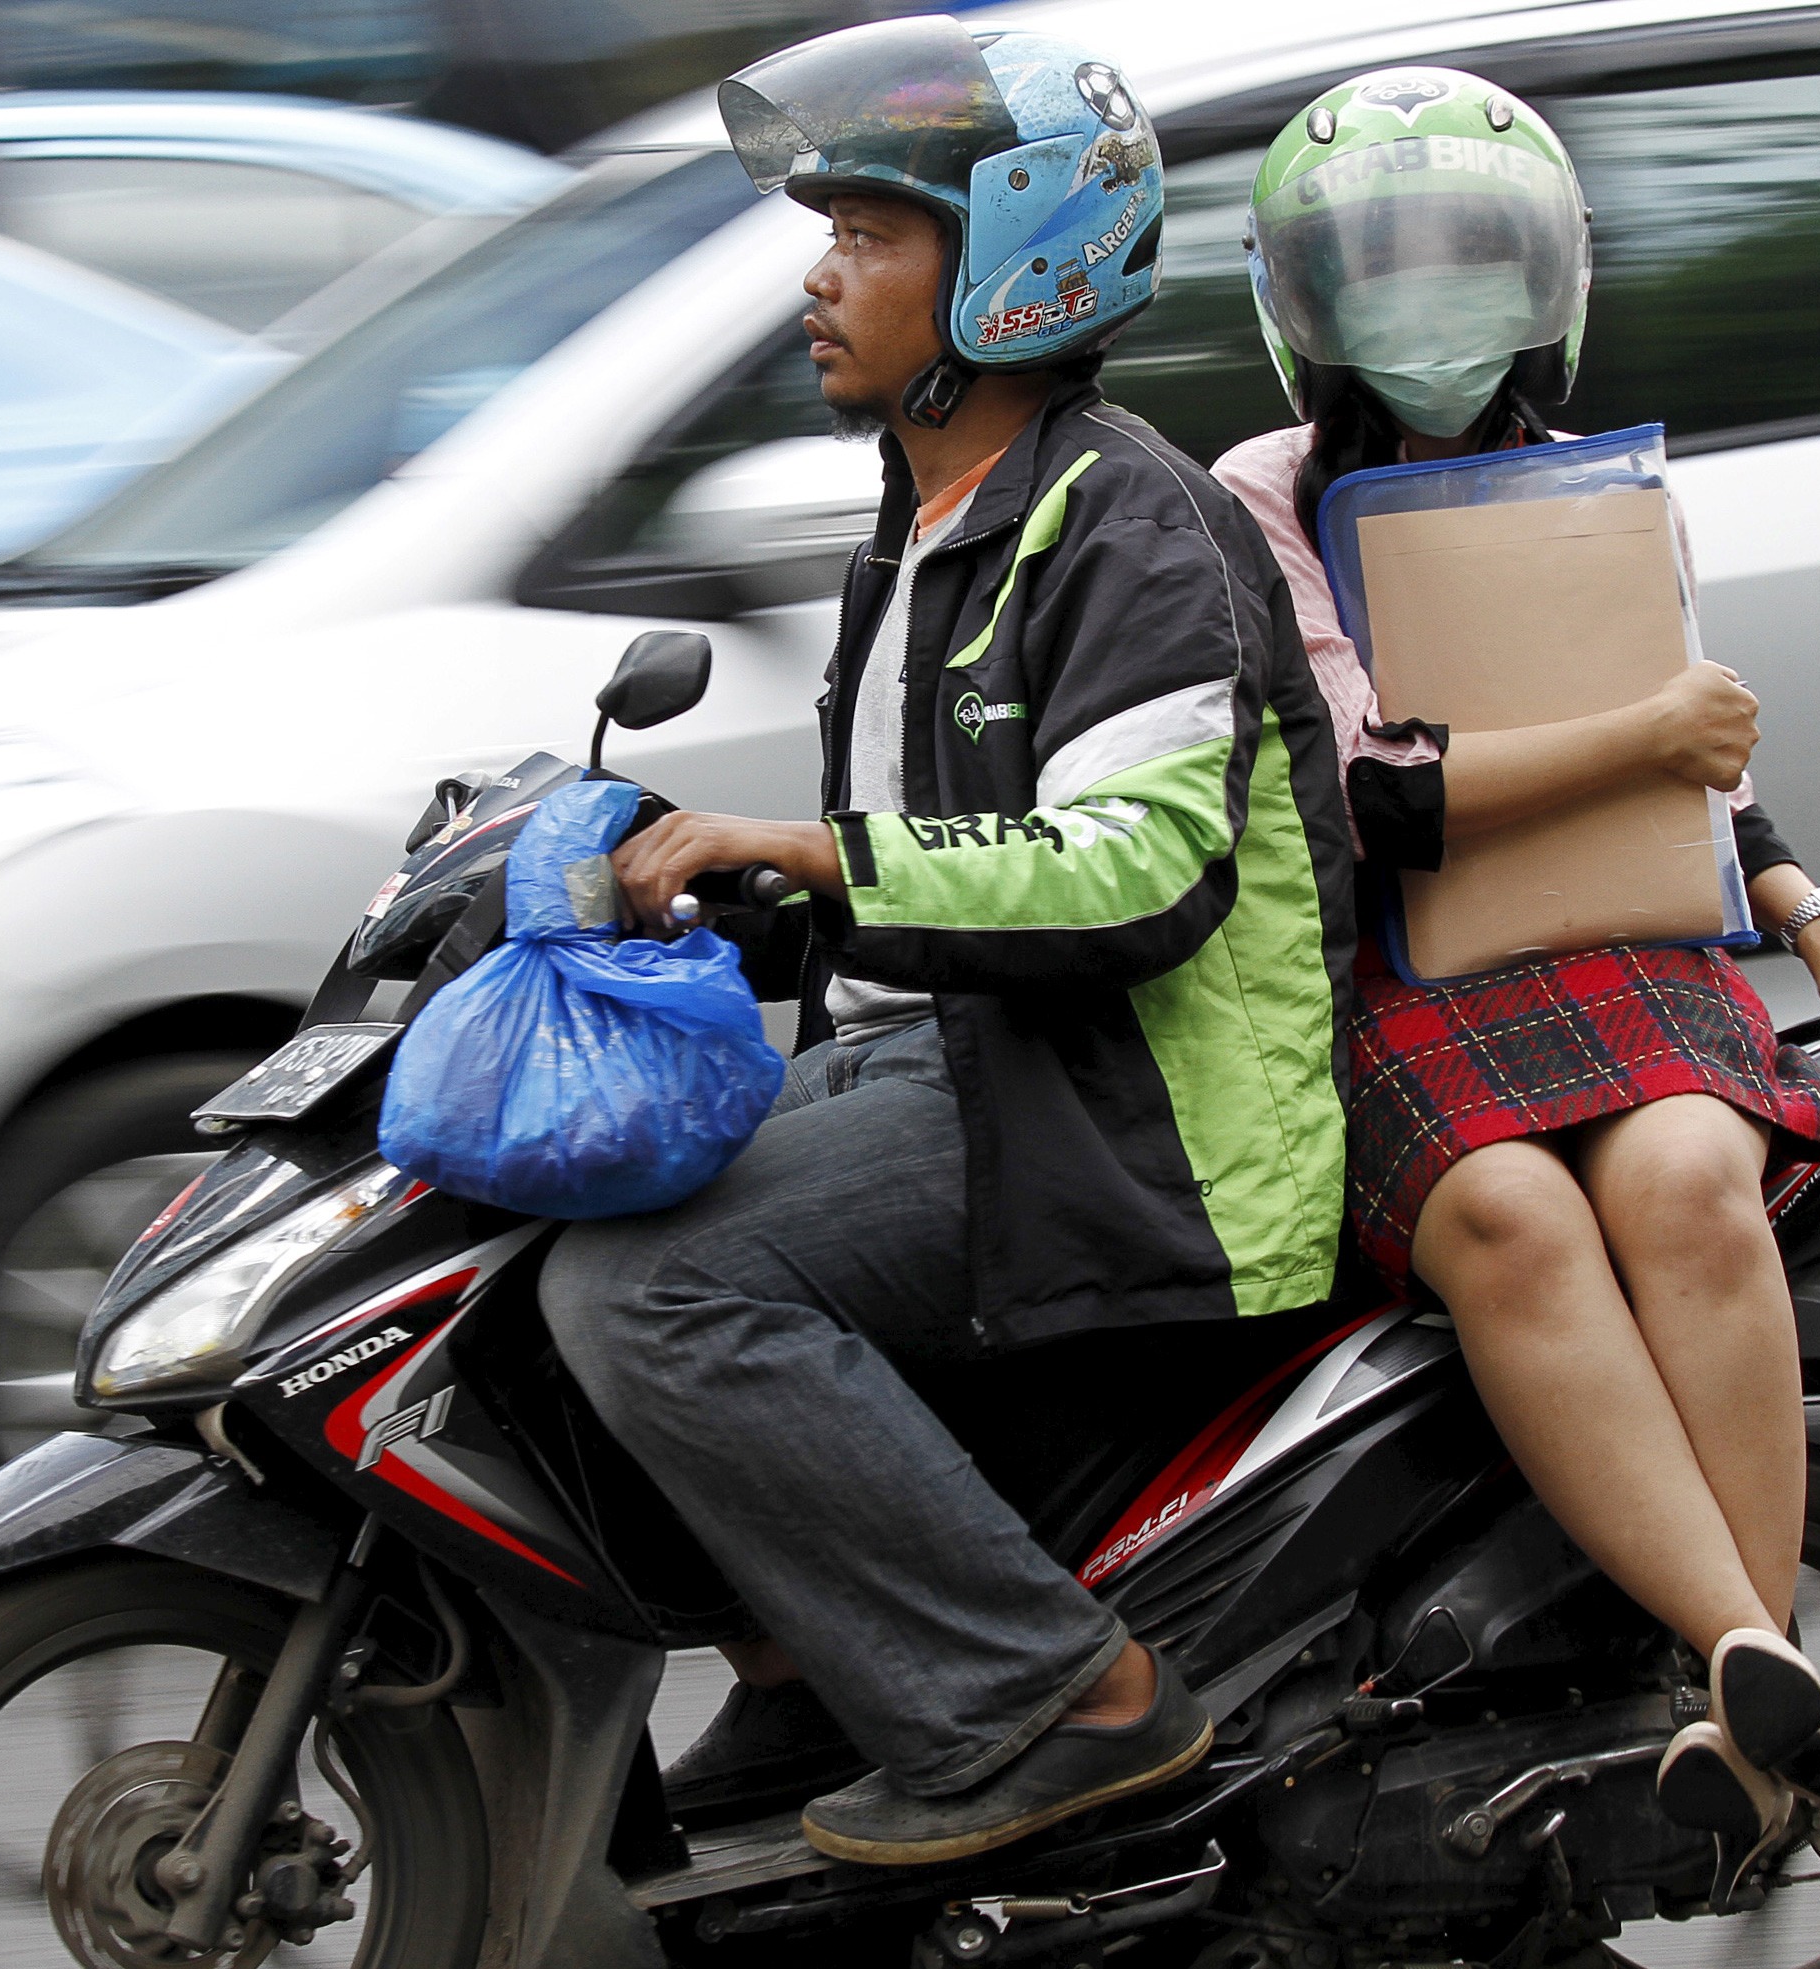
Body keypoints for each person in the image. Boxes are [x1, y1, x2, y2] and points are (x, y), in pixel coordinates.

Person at [536, 16, 1361, 1867]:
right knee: (549, 1223)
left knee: (653, 1291)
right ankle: (801, 1660)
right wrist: (699, 885)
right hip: (983, 1058)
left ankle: (1055, 1694)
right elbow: (937, 865)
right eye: (823, 232)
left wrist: (814, 851)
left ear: (1009, 264)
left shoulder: (1124, 520)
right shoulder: (929, 519)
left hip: (1149, 1110)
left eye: (872, 235)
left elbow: (1132, 871)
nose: (820, 278)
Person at [1206, 69, 1820, 1870]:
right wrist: (1647, 731)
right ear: (1303, 299)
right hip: (1402, 977)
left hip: (1624, 941)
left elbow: (1714, 772)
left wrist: (1818, 915)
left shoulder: (1602, 494)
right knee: (1513, 1220)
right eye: (1380, 260)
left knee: (1694, 1177)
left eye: (1466, 254)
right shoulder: (1261, 500)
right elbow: (1371, 791)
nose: (1427, 293)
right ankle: (1771, 1683)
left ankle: (1736, 1685)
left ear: (1547, 280)